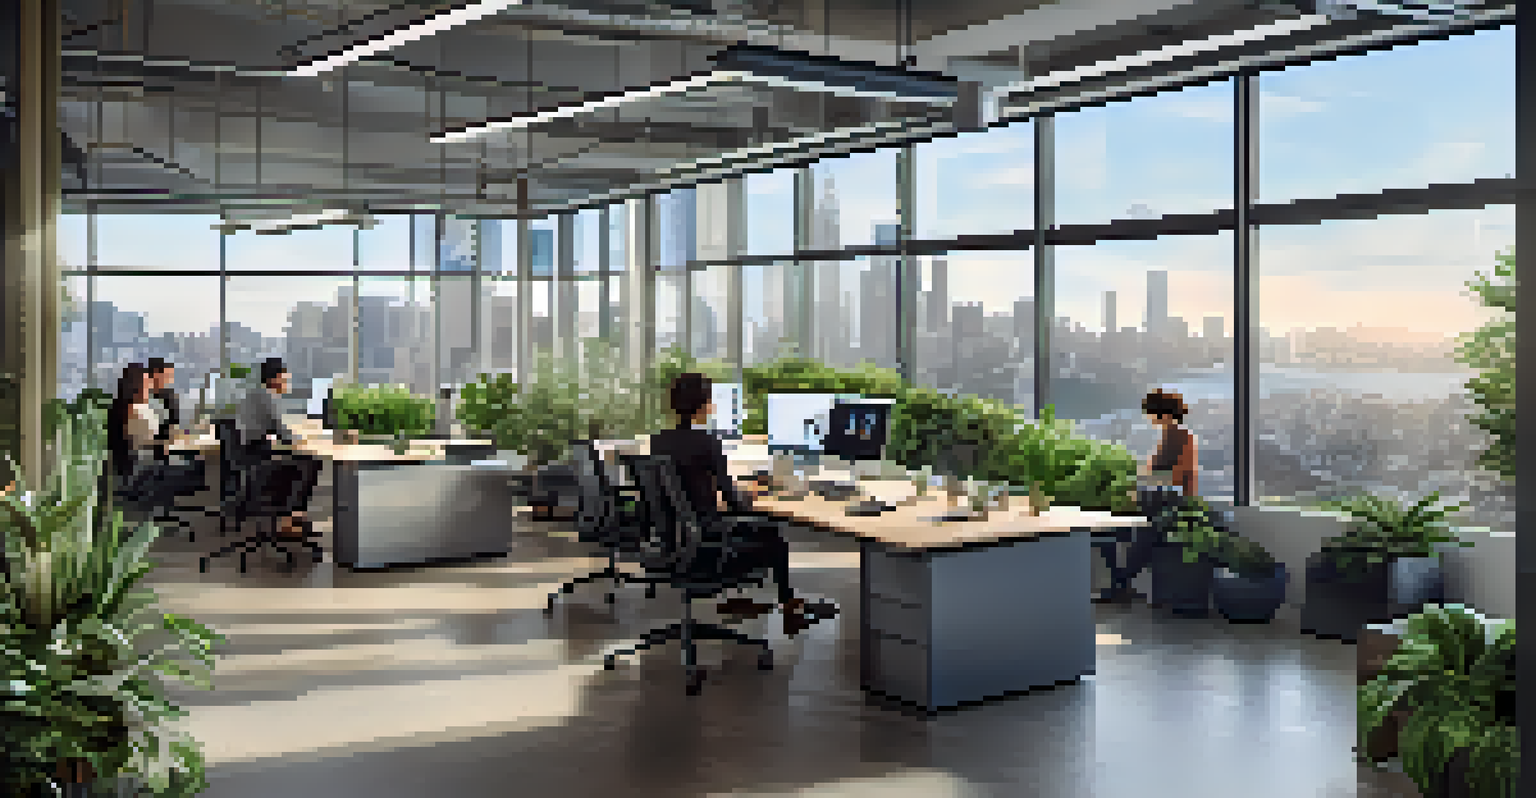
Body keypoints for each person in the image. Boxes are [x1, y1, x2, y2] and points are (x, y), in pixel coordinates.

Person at [648, 373, 836, 636]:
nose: (712, 405)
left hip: (674, 543)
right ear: (701, 404)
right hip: (707, 545)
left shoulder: (658, 441)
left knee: (753, 528)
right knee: (772, 533)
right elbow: (733, 502)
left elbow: (679, 489)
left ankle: (751, 602)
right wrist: (753, 493)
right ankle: (790, 608)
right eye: (709, 399)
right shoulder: (708, 442)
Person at [1103, 389, 1201, 602]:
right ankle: (1120, 585)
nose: (1149, 417)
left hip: (1169, 504)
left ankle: (1120, 586)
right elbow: (1154, 470)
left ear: (1163, 413)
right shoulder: (1169, 436)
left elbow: (1178, 475)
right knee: (1115, 535)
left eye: (1151, 412)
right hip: (1158, 501)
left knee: (1139, 541)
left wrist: (1140, 478)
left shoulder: (1180, 436)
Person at [235, 358, 321, 541]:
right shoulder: (266, 396)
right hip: (260, 463)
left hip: (252, 460)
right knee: (309, 462)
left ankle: (295, 519)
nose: (287, 382)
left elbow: (270, 428)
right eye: (285, 378)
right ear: (274, 379)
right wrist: (302, 439)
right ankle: (290, 520)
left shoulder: (253, 395)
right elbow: (281, 431)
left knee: (303, 461)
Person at [106, 363, 204, 510]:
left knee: (193, 461)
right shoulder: (136, 410)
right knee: (199, 466)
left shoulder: (122, 407)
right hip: (144, 475)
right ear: (136, 387)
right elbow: (145, 448)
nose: (150, 389)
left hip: (135, 472)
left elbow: (142, 444)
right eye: (147, 384)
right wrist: (171, 444)